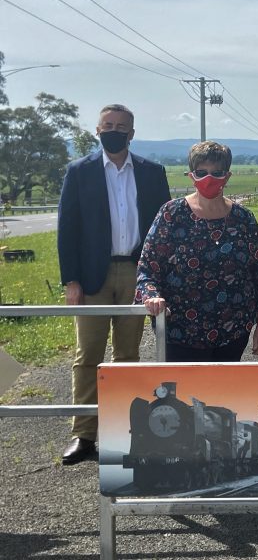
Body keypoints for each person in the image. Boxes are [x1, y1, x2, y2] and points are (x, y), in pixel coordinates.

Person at [57, 104, 171, 465]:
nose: (114, 130)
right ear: (97, 130)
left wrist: (160, 276)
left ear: (132, 134)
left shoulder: (152, 173)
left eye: (121, 126)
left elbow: (163, 226)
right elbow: (67, 229)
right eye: (108, 125)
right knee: (87, 355)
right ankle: (84, 434)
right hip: (92, 276)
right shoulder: (79, 172)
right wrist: (71, 280)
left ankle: (124, 431)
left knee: (127, 356)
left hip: (138, 273)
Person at [137, 140, 258, 362]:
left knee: (224, 393)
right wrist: (151, 296)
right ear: (191, 175)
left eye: (217, 172)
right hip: (179, 332)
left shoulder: (243, 219)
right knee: (184, 395)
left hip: (232, 331)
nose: (209, 178)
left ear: (228, 176)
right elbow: (148, 268)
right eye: (201, 172)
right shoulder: (171, 214)